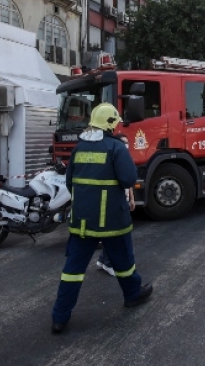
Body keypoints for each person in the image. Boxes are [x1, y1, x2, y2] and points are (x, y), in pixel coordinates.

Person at [51, 103, 153, 334]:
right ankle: (132, 295)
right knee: (124, 262)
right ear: (111, 124)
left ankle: (59, 317)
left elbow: (70, 182)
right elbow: (128, 179)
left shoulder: (79, 148)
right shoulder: (116, 147)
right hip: (112, 221)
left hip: (82, 221)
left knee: (72, 270)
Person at [95, 132, 135, 277]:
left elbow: (129, 182)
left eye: (127, 142)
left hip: (123, 201)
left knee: (114, 234)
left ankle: (102, 260)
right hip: (115, 202)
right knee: (116, 234)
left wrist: (131, 199)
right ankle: (109, 263)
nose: (126, 145)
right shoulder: (113, 158)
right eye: (123, 142)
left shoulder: (125, 157)